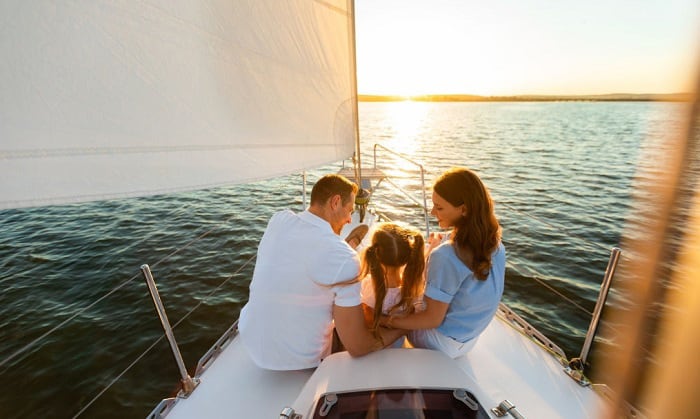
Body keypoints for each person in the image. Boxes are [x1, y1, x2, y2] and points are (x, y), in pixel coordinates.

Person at [238, 174, 404, 370]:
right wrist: (402, 328)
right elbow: (358, 346)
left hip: (250, 339)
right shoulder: (345, 259)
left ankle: (349, 243)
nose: (350, 218)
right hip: (301, 360)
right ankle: (350, 246)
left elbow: (306, 245)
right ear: (335, 202)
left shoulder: (279, 219)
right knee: (351, 313)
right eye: (349, 210)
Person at [380, 167, 506, 358]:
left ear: (463, 209)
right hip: (468, 340)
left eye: (439, 207)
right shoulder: (495, 244)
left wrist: (389, 321)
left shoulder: (446, 255)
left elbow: (431, 319)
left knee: (392, 296)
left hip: (438, 343)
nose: (432, 212)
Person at [359, 223, 426, 348]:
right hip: (397, 350)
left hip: (373, 351)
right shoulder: (411, 289)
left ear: (375, 253)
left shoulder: (368, 285)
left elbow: (366, 320)